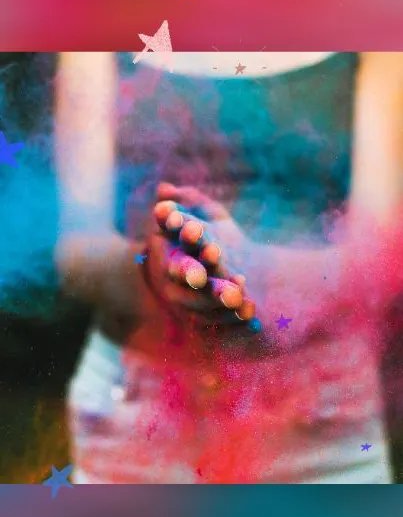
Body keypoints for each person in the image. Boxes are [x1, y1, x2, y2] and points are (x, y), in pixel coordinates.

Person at [56, 51, 403, 483]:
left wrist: (259, 271)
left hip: (321, 433)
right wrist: (155, 272)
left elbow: (380, 260)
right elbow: (76, 252)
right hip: (136, 432)